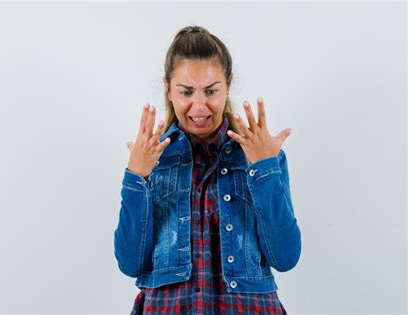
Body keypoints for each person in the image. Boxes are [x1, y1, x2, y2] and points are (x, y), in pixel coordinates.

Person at [114, 25, 302, 314]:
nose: (199, 107)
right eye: (186, 92)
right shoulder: (151, 158)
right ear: (168, 88)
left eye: (211, 91)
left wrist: (264, 167)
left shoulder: (261, 154)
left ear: (228, 84)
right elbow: (130, 262)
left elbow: (285, 256)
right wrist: (136, 178)